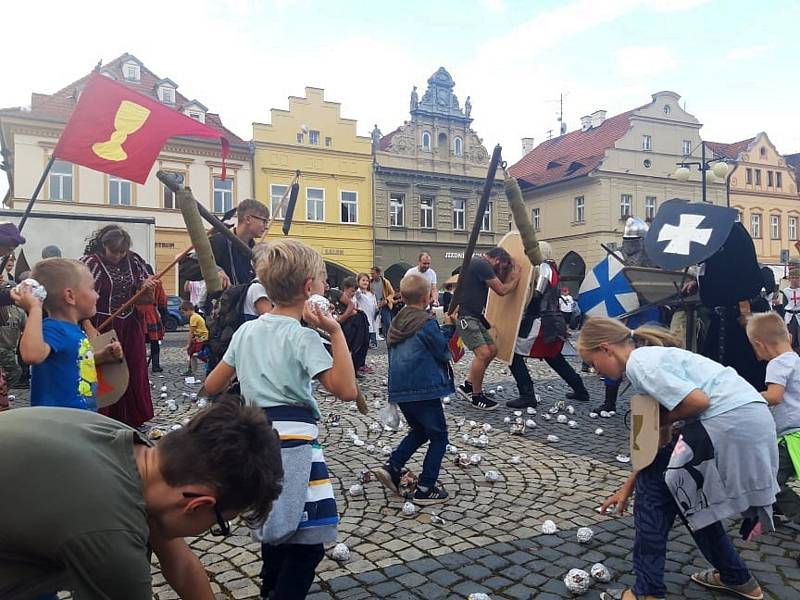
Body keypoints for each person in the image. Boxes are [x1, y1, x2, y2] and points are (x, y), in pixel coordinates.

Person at [0, 398, 283, 599]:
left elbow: (182, 566)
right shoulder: (111, 530)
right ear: (198, 504)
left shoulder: (135, 451)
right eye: (220, 523)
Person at [579, 317, 776, 600]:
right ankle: (737, 578)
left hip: (729, 422)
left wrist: (658, 418)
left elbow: (698, 402)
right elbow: (659, 446)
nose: (598, 372)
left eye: (593, 363)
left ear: (606, 348)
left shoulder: (639, 364)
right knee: (687, 496)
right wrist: (627, 485)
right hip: (750, 420)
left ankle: (646, 591)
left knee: (655, 495)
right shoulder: (652, 359)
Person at [203, 239, 358, 600]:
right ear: (310, 289)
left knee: (275, 529)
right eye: (322, 281)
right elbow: (346, 389)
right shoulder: (304, 337)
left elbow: (212, 384)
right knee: (308, 543)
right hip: (297, 445)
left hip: (258, 441)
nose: (325, 288)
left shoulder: (247, 331)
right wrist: (335, 332)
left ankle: (269, 590)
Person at [375, 274, 456, 504]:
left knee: (420, 431)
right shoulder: (425, 322)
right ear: (425, 297)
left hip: (401, 390)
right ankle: (425, 487)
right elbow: (442, 350)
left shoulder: (397, 321)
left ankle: (392, 466)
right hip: (424, 389)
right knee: (439, 436)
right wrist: (449, 328)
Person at [17, 258, 122, 411]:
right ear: (70, 296)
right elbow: (31, 355)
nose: (97, 295)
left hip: (82, 415)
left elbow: (73, 361)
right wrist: (34, 309)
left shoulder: (73, 329)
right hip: (61, 422)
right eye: (92, 288)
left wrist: (101, 356)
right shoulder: (54, 328)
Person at [81, 225, 155, 428]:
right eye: (114, 252)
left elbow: (144, 296)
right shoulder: (89, 264)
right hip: (100, 324)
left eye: (122, 251)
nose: (118, 256)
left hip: (130, 324)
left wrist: (145, 287)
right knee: (105, 371)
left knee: (133, 367)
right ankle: (101, 417)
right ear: (103, 246)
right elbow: (79, 297)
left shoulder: (134, 260)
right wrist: (87, 325)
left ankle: (131, 417)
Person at [509, 244, 589, 408]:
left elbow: (536, 295)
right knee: (554, 358)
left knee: (513, 355)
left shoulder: (544, 268)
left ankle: (527, 396)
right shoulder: (553, 268)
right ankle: (580, 390)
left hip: (541, 322)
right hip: (553, 321)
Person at [746, 312, 800, 523]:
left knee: (767, 479)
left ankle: (793, 512)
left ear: (760, 345)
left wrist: (748, 395)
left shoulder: (777, 364)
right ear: (790, 337)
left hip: (789, 437)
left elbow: (775, 396)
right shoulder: (796, 360)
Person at [455, 247, 521, 410]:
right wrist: (516, 277)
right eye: (503, 267)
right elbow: (502, 290)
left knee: (492, 349)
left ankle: (469, 385)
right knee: (483, 353)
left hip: (475, 316)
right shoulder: (482, 265)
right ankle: (477, 396)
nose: (503, 271)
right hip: (466, 317)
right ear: (497, 260)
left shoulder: (479, 264)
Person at [209, 198, 268, 286]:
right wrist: (215, 270)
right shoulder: (218, 241)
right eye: (264, 221)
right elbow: (186, 265)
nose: (266, 226)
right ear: (248, 219)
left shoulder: (256, 250)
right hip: (222, 299)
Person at [335, 276, 371, 377]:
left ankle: (354, 369)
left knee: (360, 346)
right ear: (345, 289)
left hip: (356, 327)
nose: (353, 294)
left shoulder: (353, 299)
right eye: (351, 291)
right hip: (348, 328)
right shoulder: (339, 298)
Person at [137, 270, 167, 374]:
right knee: (154, 341)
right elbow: (162, 300)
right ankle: (155, 365)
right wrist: (164, 315)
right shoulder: (156, 282)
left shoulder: (135, 280)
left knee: (138, 340)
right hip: (150, 313)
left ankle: (139, 365)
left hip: (136, 313)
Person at [0, 286, 26, 387]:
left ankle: (3, 392)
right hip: (3, 348)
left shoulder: (19, 311)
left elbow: (25, 328)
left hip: (9, 347)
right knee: (15, 372)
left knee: (14, 372)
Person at [181, 301, 208, 376]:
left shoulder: (193, 317)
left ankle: (210, 364)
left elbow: (191, 332)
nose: (184, 315)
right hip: (199, 337)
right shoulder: (194, 316)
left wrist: (188, 344)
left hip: (202, 338)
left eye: (184, 312)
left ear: (189, 310)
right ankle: (192, 369)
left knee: (197, 353)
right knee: (191, 352)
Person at [355, 272, 379, 349]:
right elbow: (357, 294)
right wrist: (359, 290)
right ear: (358, 281)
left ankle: (371, 342)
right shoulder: (359, 293)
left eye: (367, 281)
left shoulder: (371, 294)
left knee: (371, 330)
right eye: (363, 280)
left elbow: (374, 304)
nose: (365, 282)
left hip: (371, 317)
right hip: (362, 318)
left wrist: (377, 309)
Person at [370, 266, 395, 339]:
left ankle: (389, 338)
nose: (371, 275)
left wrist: (386, 300)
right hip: (374, 305)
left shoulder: (385, 282)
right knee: (372, 322)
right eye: (371, 274)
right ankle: (373, 340)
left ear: (378, 273)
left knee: (387, 323)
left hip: (384, 304)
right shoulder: (370, 282)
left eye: (373, 273)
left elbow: (392, 293)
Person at [781, 264, 800, 352]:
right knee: (790, 337)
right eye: (793, 278)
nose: (795, 280)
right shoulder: (786, 291)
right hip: (789, 316)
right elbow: (784, 305)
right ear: (789, 279)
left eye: (797, 277)